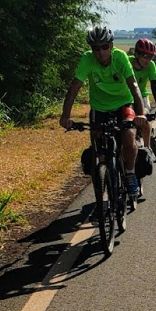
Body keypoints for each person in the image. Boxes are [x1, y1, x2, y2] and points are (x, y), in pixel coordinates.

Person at [59, 26, 146, 196]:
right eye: (95, 48)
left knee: (129, 139)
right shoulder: (87, 59)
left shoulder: (120, 58)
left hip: (123, 105)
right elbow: (74, 88)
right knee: (98, 149)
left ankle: (129, 174)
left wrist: (141, 113)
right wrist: (65, 115)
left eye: (105, 47)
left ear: (111, 45)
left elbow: (134, 86)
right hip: (99, 108)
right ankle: (104, 178)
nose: (100, 52)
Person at [129, 38, 156, 154]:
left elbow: (155, 87)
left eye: (150, 57)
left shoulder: (151, 66)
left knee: (144, 116)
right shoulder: (127, 62)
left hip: (142, 96)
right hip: (126, 96)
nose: (147, 61)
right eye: (145, 56)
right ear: (136, 54)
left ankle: (147, 148)